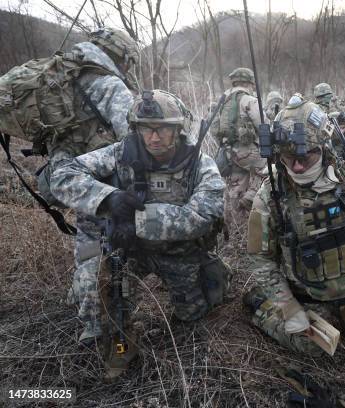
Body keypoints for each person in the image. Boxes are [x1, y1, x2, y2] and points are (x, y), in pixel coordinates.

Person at [51, 90, 230, 379]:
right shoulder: (121, 153)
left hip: (178, 252)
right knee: (94, 287)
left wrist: (137, 222)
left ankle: (212, 278)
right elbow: (61, 176)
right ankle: (121, 342)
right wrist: (108, 198)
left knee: (196, 313)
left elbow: (201, 216)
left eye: (162, 129)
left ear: (178, 129)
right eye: (146, 129)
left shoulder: (199, 163)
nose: (154, 137)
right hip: (127, 252)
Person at [243, 96, 345, 356]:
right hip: (308, 291)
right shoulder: (272, 195)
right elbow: (259, 257)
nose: (296, 166)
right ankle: (262, 306)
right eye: (288, 157)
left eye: (304, 157)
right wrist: (288, 306)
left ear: (323, 148)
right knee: (312, 346)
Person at [21, 28, 138, 345]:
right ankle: (117, 326)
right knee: (114, 256)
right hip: (106, 186)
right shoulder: (110, 86)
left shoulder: (61, 82)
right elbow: (134, 142)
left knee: (88, 250)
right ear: (119, 56)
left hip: (72, 183)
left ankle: (89, 323)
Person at [211, 67, 267, 225]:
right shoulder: (248, 100)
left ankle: (237, 226)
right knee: (271, 170)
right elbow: (263, 125)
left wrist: (225, 144)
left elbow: (214, 127)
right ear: (249, 83)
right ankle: (251, 198)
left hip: (229, 153)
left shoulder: (222, 100)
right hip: (248, 151)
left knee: (236, 189)